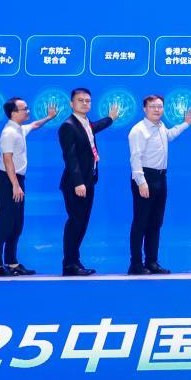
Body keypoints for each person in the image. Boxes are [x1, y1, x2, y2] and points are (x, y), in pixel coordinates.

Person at [127, 94, 191, 275]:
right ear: (144, 109)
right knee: (140, 222)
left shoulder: (160, 126)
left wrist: (186, 123)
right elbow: (135, 158)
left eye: (159, 107)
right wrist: (141, 182)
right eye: (153, 107)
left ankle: (152, 262)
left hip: (161, 178)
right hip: (145, 178)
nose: (157, 110)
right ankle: (136, 264)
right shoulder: (138, 130)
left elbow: (169, 135)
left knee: (155, 222)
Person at [0, 97, 56, 277]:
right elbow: (7, 160)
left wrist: (49, 117)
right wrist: (15, 185)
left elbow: (34, 125)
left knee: (16, 224)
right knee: (4, 223)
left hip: (16, 181)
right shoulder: (8, 133)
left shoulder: (18, 128)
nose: (28, 111)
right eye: (24, 109)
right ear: (13, 113)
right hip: (8, 181)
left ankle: (12, 262)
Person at [58, 88, 118, 276]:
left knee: (82, 222)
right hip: (76, 184)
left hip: (89, 180)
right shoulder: (68, 126)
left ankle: (75, 262)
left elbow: (95, 128)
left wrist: (110, 118)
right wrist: (78, 182)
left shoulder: (85, 123)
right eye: (80, 100)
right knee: (75, 222)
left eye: (88, 101)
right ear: (71, 103)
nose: (85, 103)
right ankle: (69, 264)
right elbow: (70, 157)